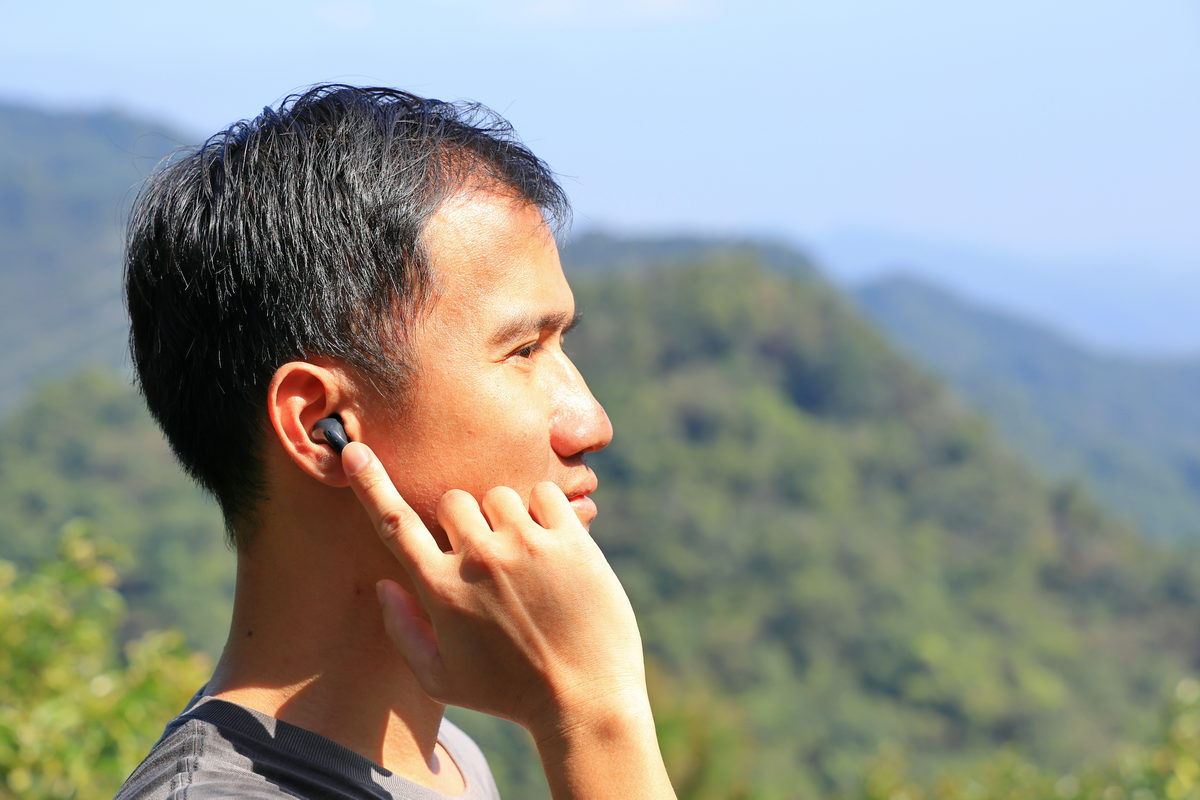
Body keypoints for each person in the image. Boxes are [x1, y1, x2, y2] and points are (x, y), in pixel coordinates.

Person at [115, 85, 676, 799]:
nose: (591, 422)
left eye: (560, 342)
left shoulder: (445, 756)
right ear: (321, 426)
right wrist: (593, 715)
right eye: (524, 351)